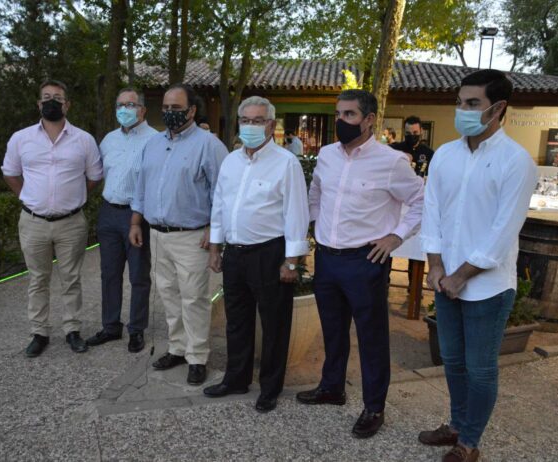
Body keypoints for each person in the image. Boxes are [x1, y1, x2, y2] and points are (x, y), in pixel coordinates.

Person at [418, 69, 537, 462]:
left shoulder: (515, 161)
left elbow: (503, 231)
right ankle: (456, 425)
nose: (463, 111)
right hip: (445, 280)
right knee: (452, 360)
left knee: (480, 368)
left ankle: (469, 443)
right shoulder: (445, 155)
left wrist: (460, 276)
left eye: (473, 104)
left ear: (498, 108)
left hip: (487, 286)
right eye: (459, 103)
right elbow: (432, 211)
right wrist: (436, 266)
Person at [295, 89, 424, 438]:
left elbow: (421, 200)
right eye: (338, 114)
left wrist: (396, 236)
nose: (341, 121)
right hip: (327, 258)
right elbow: (316, 192)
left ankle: (374, 407)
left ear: (369, 120)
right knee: (333, 330)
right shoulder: (326, 155)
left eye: (349, 115)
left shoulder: (391, 162)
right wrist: (314, 223)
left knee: (371, 338)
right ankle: (332, 388)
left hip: (365, 261)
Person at [203, 96, 309, 413]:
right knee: (236, 321)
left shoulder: (286, 163)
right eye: (246, 120)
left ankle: (270, 388)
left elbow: (296, 214)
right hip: (235, 254)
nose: (250, 126)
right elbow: (220, 205)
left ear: (271, 125)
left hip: (269, 253)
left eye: (258, 120)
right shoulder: (231, 161)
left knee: (274, 324)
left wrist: (291, 262)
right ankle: (236, 378)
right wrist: (215, 247)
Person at [129, 83, 227, 385]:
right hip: (157, 234)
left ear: (192, 111)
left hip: (192, 236)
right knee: (168, 294)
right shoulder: (153, 144)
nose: (169, 112)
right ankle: (178, 347)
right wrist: (135, 223)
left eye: (176, 108)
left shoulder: (209, 145)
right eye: (166, 108)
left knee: (193, 298)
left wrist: (214, 231)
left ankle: (197, 356)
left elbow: (222, 192)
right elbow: (141, 187)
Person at [1, 79, 103, 358]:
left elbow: (94, 177)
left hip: (71, 223)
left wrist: (74, 197)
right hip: (33, 222)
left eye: (57, 97)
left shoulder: (84, 140)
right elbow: (10, 173)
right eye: (46, 97)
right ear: (38, 103)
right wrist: (27, 197)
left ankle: (72, 329)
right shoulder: (21, 138)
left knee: (71, 278)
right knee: (38, 279)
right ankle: (39, 332)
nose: (51, 101)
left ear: (67, 105)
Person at [86, 88, 157, 353]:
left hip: (136, 215)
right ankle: (110, 326)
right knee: (109, 273)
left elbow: (152, 184)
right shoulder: (109, 140)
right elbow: (98, 174)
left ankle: (136, 329)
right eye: (120, 105)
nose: (124, 109)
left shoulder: (155, 140)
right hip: (108, 213)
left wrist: (137, 219)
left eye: (130, 104)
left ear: (143, 110)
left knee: (138, 275)